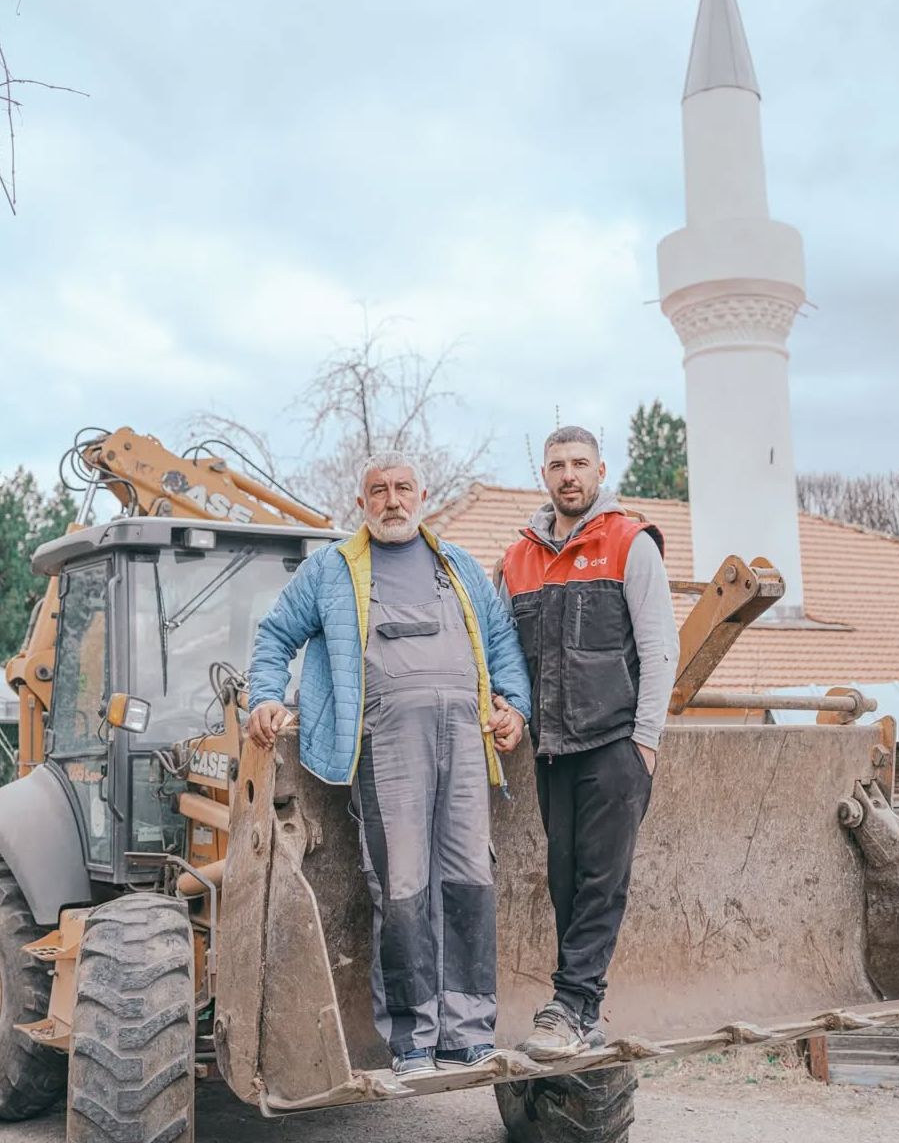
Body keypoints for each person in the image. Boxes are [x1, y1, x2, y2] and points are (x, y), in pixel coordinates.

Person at [247, 451, 531, 1077]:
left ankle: (469, 1033)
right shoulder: (331, 571)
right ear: (361, 503)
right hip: (387, 747)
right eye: (379, 491)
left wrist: (516, 709)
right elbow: (274, 636)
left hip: (465, 742)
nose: (393, 501)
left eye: (403, 488)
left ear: (423, 494)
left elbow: (503, 637)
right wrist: (265, 696)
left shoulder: (457, 568)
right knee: (402, 890)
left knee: (469, 883)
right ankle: (413, 1039)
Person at [498, 425, 679, 1059]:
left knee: (602, 880)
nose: (568, 474)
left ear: (600, 470)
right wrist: (512, 713)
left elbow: (660, 648)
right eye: (557, 465)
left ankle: (572, 1005)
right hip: (551, 751)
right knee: (565, 878)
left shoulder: (630, 543)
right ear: (542, 475)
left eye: (580, 463)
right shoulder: (517, 559)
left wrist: (646, 742)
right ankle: (581, 1010)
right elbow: (506, 661)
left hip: (614, 744)